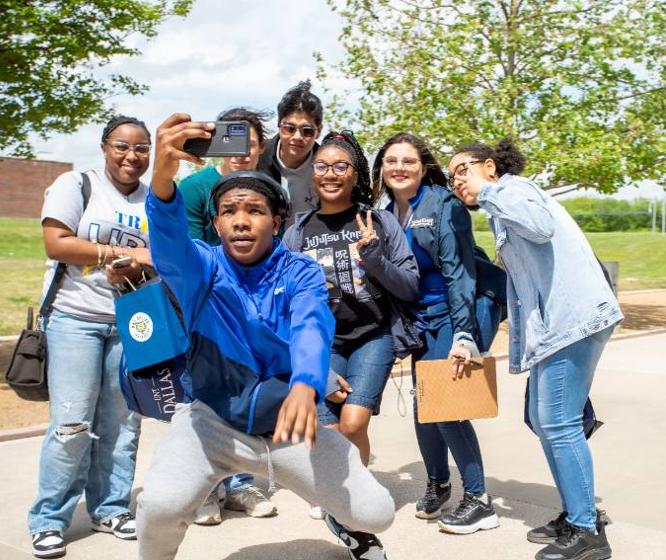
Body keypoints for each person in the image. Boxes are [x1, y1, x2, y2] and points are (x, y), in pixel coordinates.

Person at [136, 114, 395, 560]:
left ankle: (345, 524)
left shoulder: (301, 271)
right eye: (229, 212)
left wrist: (305, 384)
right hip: (210, 422)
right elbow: (168, 241)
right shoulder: (201, 268)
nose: (240, 221)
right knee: (159, 506)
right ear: (215, 224)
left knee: (378, 512)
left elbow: (313, 327)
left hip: (288, 425)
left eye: (254, 211)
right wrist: (161, 180)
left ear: (277, 222)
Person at [447, 139, 623, 560]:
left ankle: (587, 531)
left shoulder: (511, 190)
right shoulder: (501, 206)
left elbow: (541, 227)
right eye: (451, 177)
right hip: (557, 326)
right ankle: (576, 513)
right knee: (546, 422)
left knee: (558, 423)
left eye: (462, 171)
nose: (457, 182)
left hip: (574, 320)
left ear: (489, 167)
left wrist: (487, 191)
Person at [29, 116, 153, 558]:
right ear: (104, 147)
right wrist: (118, 252)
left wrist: (139, 263)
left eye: (141, 149)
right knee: (72, 423)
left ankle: (111, 508)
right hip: (75, 320)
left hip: (130, 321)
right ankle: (49, 519)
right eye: (122, 146)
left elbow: (157, 257)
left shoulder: (151, 201)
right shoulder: (76, 184)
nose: (132, 156)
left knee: (123, 424)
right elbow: (56, 243)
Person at [371, 132, 502, 535]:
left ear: (423, 166)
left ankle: (480, 500)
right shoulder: (384, 210)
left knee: (446, 407)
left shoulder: (445, 205)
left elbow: (458, 273)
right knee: (422, 405)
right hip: (419, 318)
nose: (398, 167)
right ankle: (437, 482)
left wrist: (464, 335)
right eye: (391, 160)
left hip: (455, 310)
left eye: (408, 160)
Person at [283, 130, 419, 469]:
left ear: (355, 174)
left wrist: (375, 259)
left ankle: (357, 495)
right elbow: (284, 304)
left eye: (340, 166)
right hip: (322, 342)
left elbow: (410, 286)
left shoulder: (379, 221)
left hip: (373, 335)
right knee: (329, 427)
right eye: (322, 166)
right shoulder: (297, 233)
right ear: (313, 174)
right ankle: (339, 498)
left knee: (354, 422)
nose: (330, 174)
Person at [177, 107, 277, 524]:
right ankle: (204, 491)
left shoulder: (268, 187)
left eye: (248, 142)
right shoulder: (197, 187)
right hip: (203, 311)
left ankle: (240, 485)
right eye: (230, 141)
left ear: (259, 146)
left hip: (253, 312)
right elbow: (185, 252)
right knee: (202, 396)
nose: (240, 152)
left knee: (245, 397)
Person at [257, 80, 323, 223]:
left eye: (307, 131)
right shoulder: (256, 159)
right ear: (279, 126)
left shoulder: (330, 168)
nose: (297, 137)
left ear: (319, 131)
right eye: (289, 128)